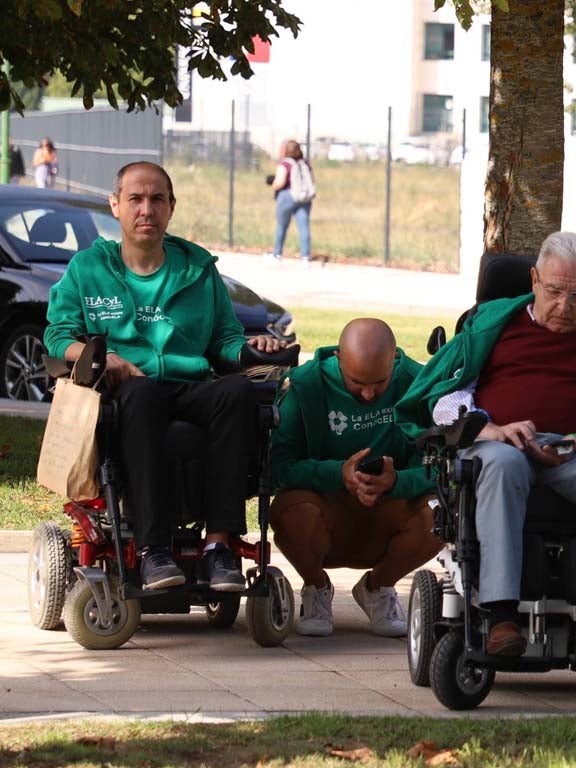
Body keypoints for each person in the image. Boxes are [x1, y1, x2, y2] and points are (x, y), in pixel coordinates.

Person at [398, 231, 576, 657]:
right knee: (500, 463)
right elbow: (447, 399)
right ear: (534, 279)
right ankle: (500, 619)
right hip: (501, 445)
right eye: (554, 291)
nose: (564, 306)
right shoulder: (493, 325)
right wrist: (490, 428)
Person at [44, 161, 284, 591]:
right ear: (115, 205)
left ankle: (219, 547)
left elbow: (224, 339)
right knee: (140, 395)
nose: (146, 210)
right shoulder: (88, 268)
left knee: (236, 392)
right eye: (135, 199)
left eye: (157, 199)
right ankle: (155, 551)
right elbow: (57, 336)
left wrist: (250, 349)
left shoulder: (197, 268)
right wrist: (103, 355)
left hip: (187, 384)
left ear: (171, 208)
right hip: (125, 393)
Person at [270, 318, 442, 637]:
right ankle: (316, 587)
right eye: (356, 381)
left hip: (390, 507)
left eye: (379, 382)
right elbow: (278, 467)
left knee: (441, 514)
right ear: (338, 358)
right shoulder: (306, 385)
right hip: (326, 508)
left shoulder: (419, 383)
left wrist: (396, 482)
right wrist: (338, 473)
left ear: (394, 360)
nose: (367, 393)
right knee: (290, 512)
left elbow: (440, 465)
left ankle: (378, 588)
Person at [268, 139, 313, 262]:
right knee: (304, 227)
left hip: (287, 196)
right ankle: (305, 256)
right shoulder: (305, 164)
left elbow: (280, 182)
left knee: (282, 226)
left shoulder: (285, 164)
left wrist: (273, 184)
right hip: (304, 198)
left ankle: (277, 254)